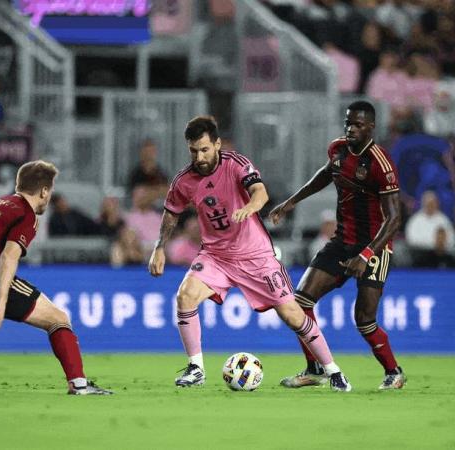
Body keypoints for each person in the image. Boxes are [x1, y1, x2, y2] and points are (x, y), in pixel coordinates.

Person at [148, 116, 351, 391]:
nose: (200, 156)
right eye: (194, 151)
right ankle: (196, 368)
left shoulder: (236, 164)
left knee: (292, 314)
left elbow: (260, 192)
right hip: (216, 257)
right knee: (185, 296)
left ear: (217, 144)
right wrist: (160, 246)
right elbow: (171, 213)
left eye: (205, 149)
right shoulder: (185, 181)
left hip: (256, 256)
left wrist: (250, 207)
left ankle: (333, 371)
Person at [0, 160, 111, 395]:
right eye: (49, 191)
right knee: (58, 319)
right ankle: (79, 385)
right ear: (44, 191)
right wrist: (1, 302)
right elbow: (9, 257)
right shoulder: (26, 214)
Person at [269, 101, 406, 390]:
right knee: (299, 302)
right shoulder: (338, 149)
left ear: (371, 127)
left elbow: (394, 219)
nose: (350, 128)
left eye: (357, 124)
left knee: (364, 318)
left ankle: (394, 372)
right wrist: (291, 202)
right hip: (342, 240)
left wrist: (366, 254)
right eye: (348, 123)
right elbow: (326, 174)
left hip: (375, 246)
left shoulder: (381, 164)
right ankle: (315, 368)